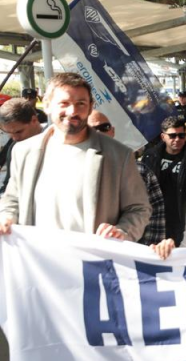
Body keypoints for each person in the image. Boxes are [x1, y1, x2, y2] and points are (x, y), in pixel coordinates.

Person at [0, 73, 151, 240]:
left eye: (81, 103)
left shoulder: (118, 155)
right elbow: (12, 200)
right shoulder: (23, 152)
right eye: (64, 103)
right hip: (38, 261)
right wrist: (7, 218)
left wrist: (123, 231)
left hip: (91, 261)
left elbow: (138, 208)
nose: (72, 112)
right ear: (48, 105)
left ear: (90, 106)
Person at [87, 111, 166, 245]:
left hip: (129, 255)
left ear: (112, 131)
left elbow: (155, 216)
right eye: (93, 129)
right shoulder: (69, 170)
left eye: (104, 128)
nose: (99, 133)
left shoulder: (141, 171)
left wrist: (148, 255)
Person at [141, 116, 186, 245]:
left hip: (182, 218)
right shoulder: (150, 156)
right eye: (172, 136)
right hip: (155, 217)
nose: (177, 139)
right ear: (163, 137)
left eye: (181, 135)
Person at [0, 98, 44, 193]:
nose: (15, 138)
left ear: (34, 120)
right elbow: (9, 186)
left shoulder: (57, 140)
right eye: (9, 133)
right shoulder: (15, 148)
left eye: (19, 131)